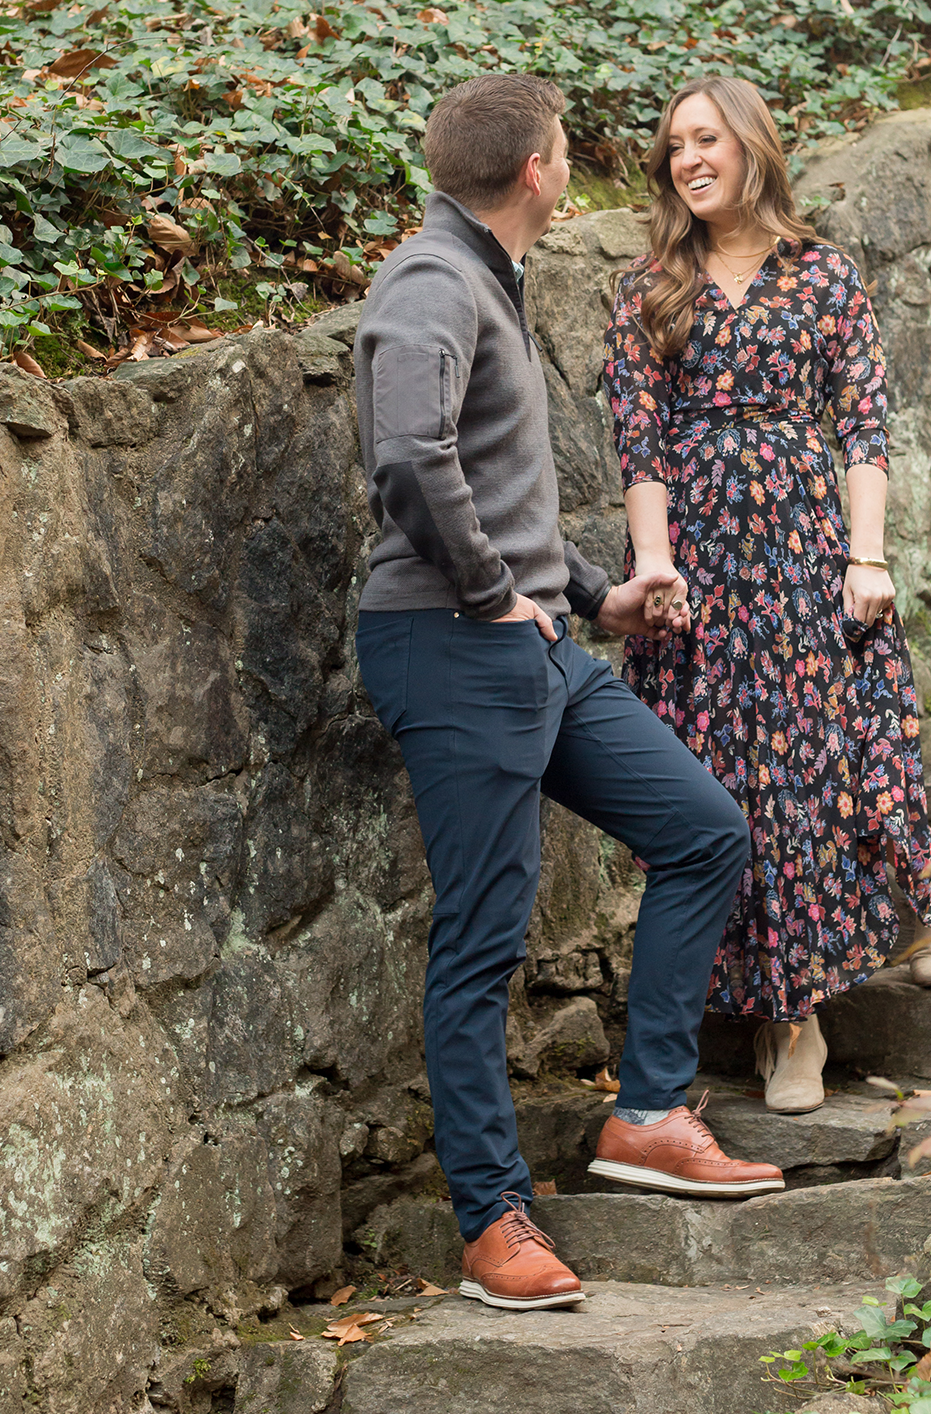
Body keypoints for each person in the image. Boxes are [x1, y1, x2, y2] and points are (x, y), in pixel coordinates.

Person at [353, 72, 785, 1317]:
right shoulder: (432, 279)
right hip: (449, 642)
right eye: (564, 147)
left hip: (524, 645)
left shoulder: (488, 275)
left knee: (703, 828)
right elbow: (407, 457)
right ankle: (493, 1222)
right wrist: (492, 590)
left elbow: (488, 479)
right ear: (540, 168)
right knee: (483, 941)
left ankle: (647, 1111)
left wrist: (595, 597)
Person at [602, 76, 931, 1116]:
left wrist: (866, 557)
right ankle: (786, 1017)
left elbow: (864, 427)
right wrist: (654, 564)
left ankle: (922, 890)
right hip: (703, 563)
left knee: (837, 745)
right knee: (736, 780)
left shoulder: (823, 276)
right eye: (674, 144)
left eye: (706, 138)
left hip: (808, 545)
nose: (687, 159)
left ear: (752, 146)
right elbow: (638, 444)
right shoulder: (648, 288)